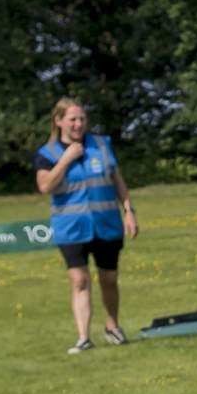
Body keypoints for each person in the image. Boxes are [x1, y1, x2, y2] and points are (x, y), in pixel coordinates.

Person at [36, 98, 136, 352]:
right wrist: (67, 159)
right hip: (71, 228)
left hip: (106, 225)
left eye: (82, 119)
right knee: (79, 280)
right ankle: (83, 338)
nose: (79, 124)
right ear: (58, 121)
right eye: (72, 119)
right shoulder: (47, 154)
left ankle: (112, 326)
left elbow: (118, 181)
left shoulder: (102, 145)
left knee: (109, 278)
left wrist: (129, 211)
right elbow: (45, 186)